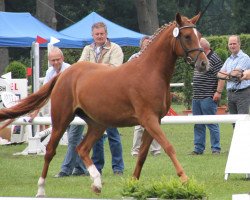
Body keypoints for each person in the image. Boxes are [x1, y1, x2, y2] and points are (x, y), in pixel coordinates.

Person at [56, 22, 124, 177]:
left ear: (106, 34)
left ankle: (118, 168)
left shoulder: (116, 49)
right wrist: (98, 69)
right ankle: (97, 167)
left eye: (101, 33)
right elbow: (80, 67)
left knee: (113, 133)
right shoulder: (87, 49)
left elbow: (115, 69)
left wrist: (92, 70)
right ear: (92, 35)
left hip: (112, 96)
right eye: (96, 34)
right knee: (95, 134)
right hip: (93, 99)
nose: (99, 36)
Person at [29, 47, 89, 178]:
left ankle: (65, 170)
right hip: (64, 113)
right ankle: (81, 168)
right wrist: (35, 111)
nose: (56, 62)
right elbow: (44, 94)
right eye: (53, 60)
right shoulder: (50, 72)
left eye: (58, 59)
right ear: (49, 61)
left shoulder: (70, 70)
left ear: (63, 58)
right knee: (76, 139)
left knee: (73, 139)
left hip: (78, 111)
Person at [129, 36, 161, 157]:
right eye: (145, 44)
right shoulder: (134, 57)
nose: (147, 46)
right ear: (141, 45)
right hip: (137, 95)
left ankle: (156, 150)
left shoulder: (156, 58)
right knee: (139, 125)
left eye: (149, 44)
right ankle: (135, 150)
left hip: (151, 95)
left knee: (154, 124)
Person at [191, 38, 224, 155]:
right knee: (198, 124)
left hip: (207, 97)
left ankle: (216, 148)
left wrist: (218, 92)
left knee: (212, 123)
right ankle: (198, 149)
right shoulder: (199, 57)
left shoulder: (214, 58)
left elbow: (221, 76)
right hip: (197, 97)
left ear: (204, 47)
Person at [217, 35, 250, 125]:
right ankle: (236, 139)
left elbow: (237, 74)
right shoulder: (228, 59)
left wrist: (227, 75)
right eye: (230, 44)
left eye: (234, 43)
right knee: (234, 122)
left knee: (242, 122)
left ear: (239, 44)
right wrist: (231, 75)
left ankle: (244, 140)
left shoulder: (245, 58)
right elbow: (219, 74)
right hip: (230, 94)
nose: (232, 46)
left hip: (242, 93)